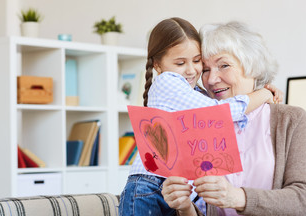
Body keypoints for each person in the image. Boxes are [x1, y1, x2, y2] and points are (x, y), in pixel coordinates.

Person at [118, 18, 283, 216]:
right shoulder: (167, 82)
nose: (191, 70)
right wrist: (263, 94)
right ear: (158, 65)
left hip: (174, 189)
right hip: (150, 186)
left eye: (197, 61)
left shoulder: (194, 92)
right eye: (180, 63)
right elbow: (220, 112)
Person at [161, 21, 306, 216]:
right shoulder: (199, 122)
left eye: (224, 65)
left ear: (252, 65)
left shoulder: (291, 120)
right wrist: (184, 206)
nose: (211, 80)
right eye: (206, 69)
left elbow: (301, 202)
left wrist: (236, 197)